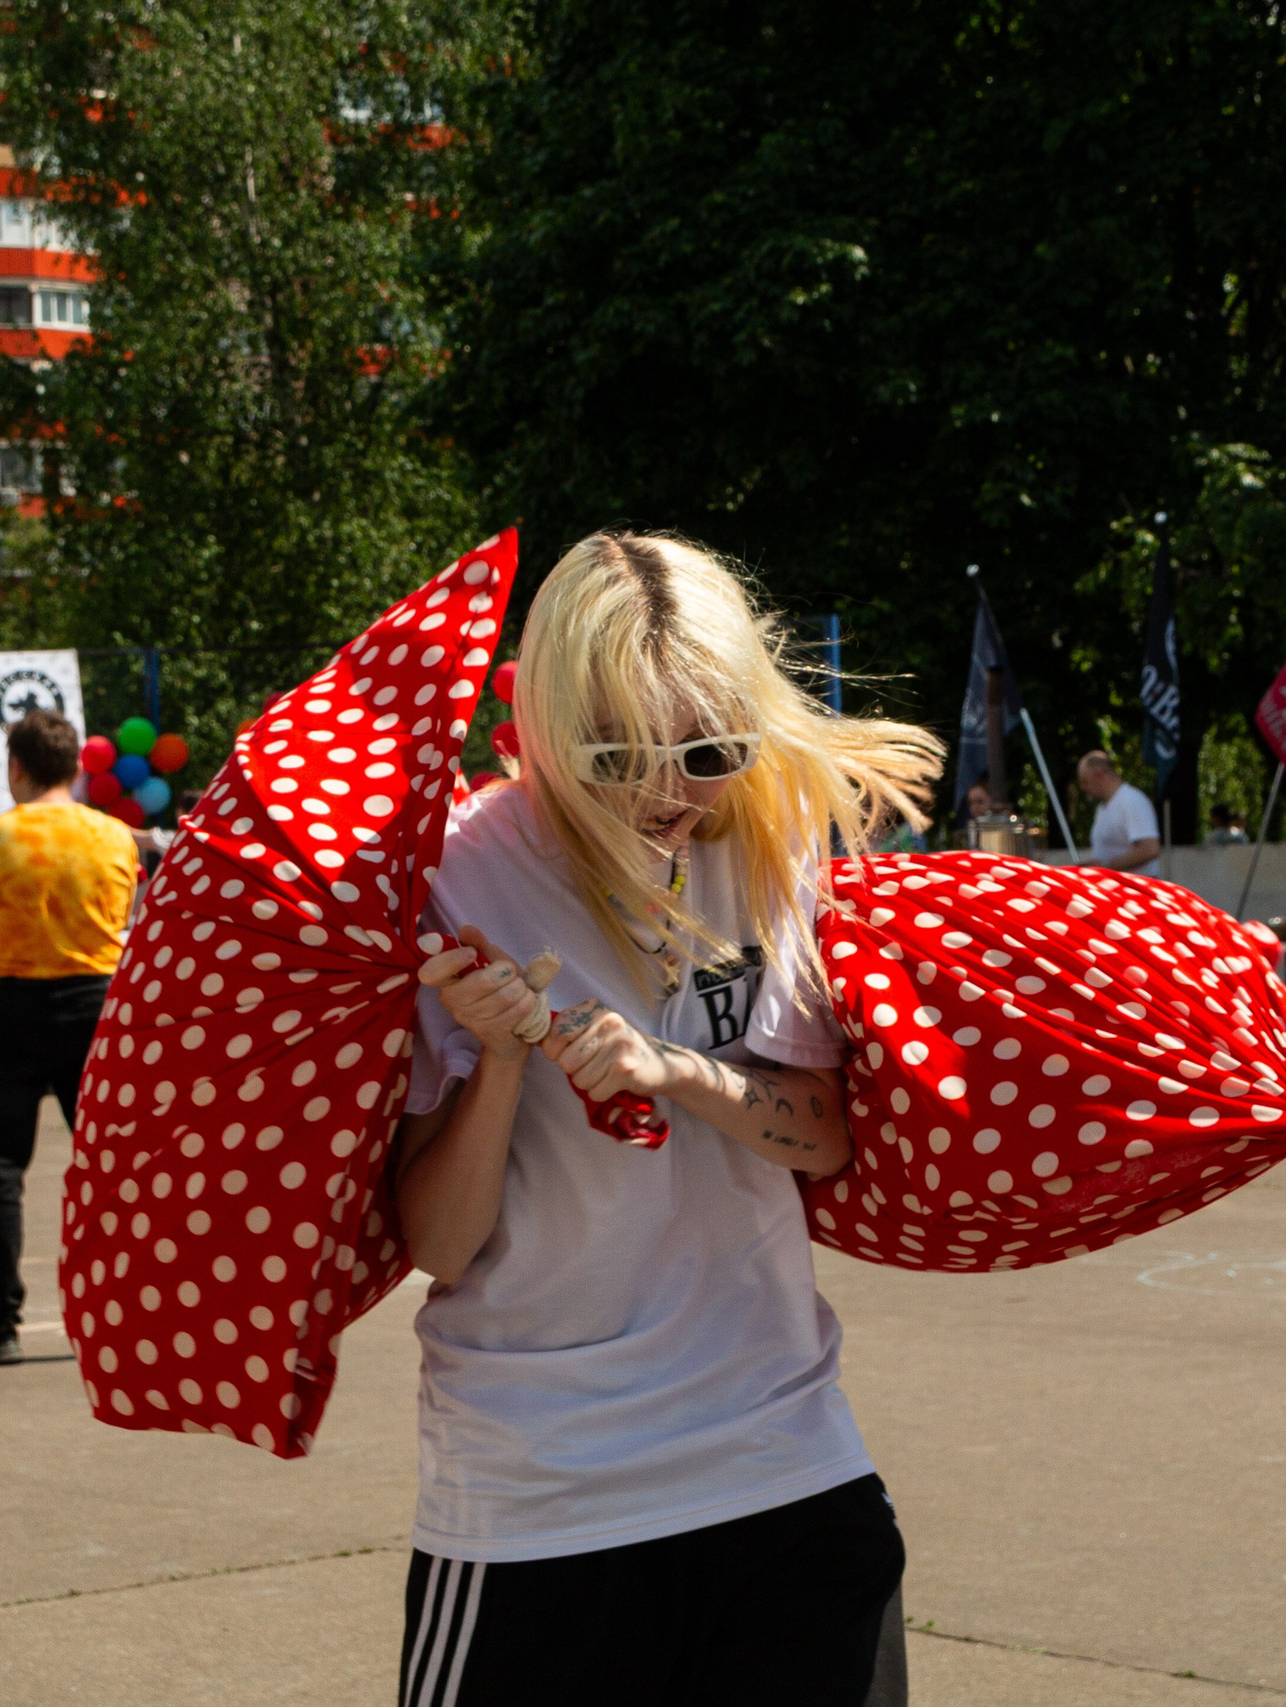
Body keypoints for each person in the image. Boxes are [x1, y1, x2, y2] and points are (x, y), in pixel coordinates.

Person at [396, 530, 939, 1704]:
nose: (669, 793)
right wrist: (500, 1063)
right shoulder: (452, 873)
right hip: (544, 1493)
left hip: (785, 1456)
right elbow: (437, 1243)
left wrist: (682, 1073)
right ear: (543, 725)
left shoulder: (763, 841)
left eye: (710, 750)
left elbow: (821, 1134)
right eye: (618, 756)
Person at [0, 708, 140, 1366]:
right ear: (77, 767)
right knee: (113, 1169)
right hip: (96, 1008)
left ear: (16, 767)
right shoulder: (113, 836)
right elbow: (124, 909)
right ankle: (126, 1320)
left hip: (8, 1008)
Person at [1076, 750, 1159, 871]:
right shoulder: (1102, 808)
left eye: (1085, 781)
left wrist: (1105, 866)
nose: (1083, 788)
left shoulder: (1132, 800)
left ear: (1099, 775)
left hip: (1132, 882)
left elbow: (1150, 849)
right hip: (1112, 882)